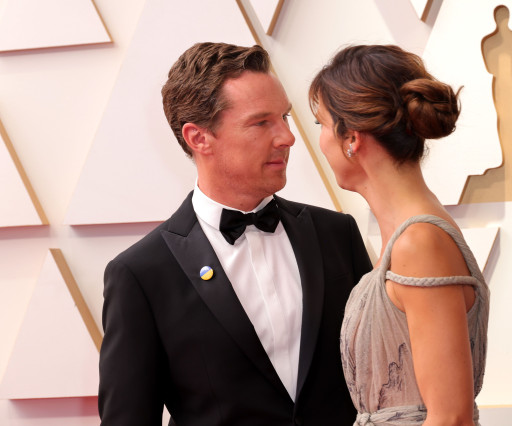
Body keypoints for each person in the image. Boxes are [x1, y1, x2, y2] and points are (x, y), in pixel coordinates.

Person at [98, 42, 372, 426]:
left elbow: (386, 378)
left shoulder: (337, 234)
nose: (287, 137)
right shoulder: (141, 274)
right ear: (199, 138)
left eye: (285, 117)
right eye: (261, 123)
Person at [309, 44, 489, 425]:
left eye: (321, 124)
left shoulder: (419, 243)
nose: (320, 140)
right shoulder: (409, 237)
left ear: (351, 137)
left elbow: (451, 418)